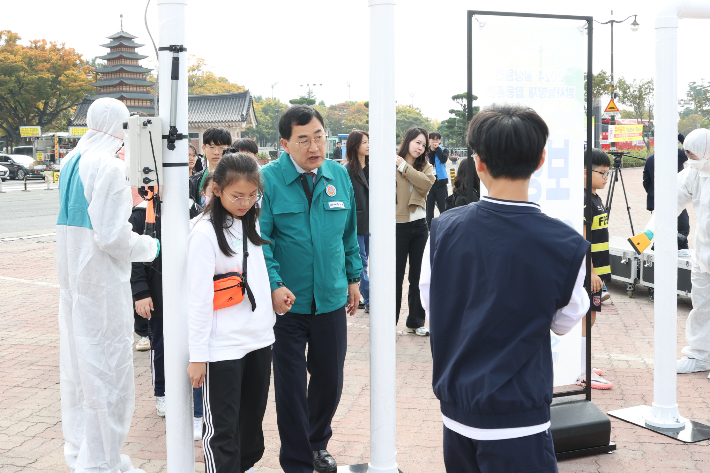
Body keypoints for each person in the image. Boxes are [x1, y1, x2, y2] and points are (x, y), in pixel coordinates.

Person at [420, 104, 589, 473]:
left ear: (477, 162)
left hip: (456, 409)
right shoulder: (566, 243)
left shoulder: (443, 229)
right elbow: (566, 319)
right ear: (541, 158)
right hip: (519, 415)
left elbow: (433, 303)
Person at [57, 97, 158, 473]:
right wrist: (152, 246)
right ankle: (103, 463)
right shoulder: (110, 167)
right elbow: (114, 237)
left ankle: (82, 455)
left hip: (72, 284)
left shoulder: (71, 161)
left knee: (79, 375)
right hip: (101, 286)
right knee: (108, 377)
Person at [259, 105, 362, 473]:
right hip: (288, 305)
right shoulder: (268, 180)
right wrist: (274, 285)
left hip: (331, 298)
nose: (314, 146)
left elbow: (349, 233)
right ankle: (298, 461)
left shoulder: (338, 174)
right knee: (289, 389)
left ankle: (318, 442)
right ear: (285, 143)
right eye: (303, 139)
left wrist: (353, 277)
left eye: (319, 136)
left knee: (330, 380)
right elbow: (262, 241)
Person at [187, 152, 275, 472]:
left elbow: (261, 278)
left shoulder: (251, 224)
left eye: (253, 195)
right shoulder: (203, 233)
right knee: (222, 432)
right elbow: (196, 300)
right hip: (222, 347)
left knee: (251, 429)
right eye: (238, 195)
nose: (246, 202)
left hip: (258, 341)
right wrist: (198, 355)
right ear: (216, 189)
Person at [631, 129, 710, 374]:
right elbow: (667, 206)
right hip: (704, 253)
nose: (688, 158)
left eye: (692, 153)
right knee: (702, 306)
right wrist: (647, 235)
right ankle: (699, 355)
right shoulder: (693, 174)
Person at [129, 188, 204, 439]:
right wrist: (140, 292)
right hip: (157, 292)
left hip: (188, 290)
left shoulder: (190, 206)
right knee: (160, 345)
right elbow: (134, 256)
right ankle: (162, 393)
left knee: (192, 347)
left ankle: (193, 398)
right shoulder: (141, 213)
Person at [395, 127, 435, 336]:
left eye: (423, 145)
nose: (420, 147)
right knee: (395, 275)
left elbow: (426, 185)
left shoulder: (425, 166)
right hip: (397, 225)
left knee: (418, 276)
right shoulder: (392, 162)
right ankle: (389, 320)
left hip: (420, 226)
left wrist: (405, 168)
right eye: (417, 142)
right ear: (408, 140)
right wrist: (401, 165)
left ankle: (416, 321)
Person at [579, 149, 614, 389]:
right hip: (589, 272)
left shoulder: (595, 197)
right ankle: (582, 370)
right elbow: (582, 238)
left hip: (598, 270)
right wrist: (591, 271)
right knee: (586, 317)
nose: (605, 178)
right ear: (584, 172)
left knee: (589, 318)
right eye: (602, 173)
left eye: (607, 173)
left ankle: (583, 363)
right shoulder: (583, 200)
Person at [642, 133, 690, 250]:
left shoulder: (650, 159)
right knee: (682, 226)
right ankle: (678, 248)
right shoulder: (676, 155)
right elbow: (691, 149)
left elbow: (646, 182)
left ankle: (656, 245)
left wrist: (653, 193)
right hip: (675, 197)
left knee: (661, 224)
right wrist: (679, 136)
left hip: (658, 198)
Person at [344, 130, 370, 313]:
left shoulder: (374, 167)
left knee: (367, 262)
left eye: (369, 142)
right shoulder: (347, 170)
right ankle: (370, 297)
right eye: (364, 142)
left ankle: (354, 294)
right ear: (355, 146)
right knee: (360, 262)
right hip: (356, 223)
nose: (368, 145)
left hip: (372, 223)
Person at [189, 127, 232, 205]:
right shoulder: (194, 181)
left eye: (221, 148)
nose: (216, 152)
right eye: (212, 147)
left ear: (228, 149)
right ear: (204, 148)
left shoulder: (236, 177)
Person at [425, 132, 450, 228]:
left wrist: (437, 149)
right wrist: (430, 150)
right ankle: (430, 227)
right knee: (429, 208)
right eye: (433, 139)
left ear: (439, 140)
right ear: (429, 140)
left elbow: (443, 160)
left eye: (437, 139)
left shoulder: (444, 150)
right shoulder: (425, 151)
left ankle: (445, 226)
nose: (435, 141)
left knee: (443, 206)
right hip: (428, 182)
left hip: (441, 182)